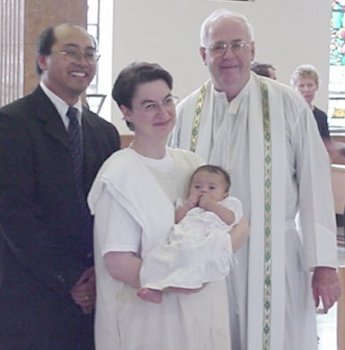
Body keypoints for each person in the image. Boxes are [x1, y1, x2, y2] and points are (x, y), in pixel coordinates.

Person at [170, 9, 341, 350]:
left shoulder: (288, 104)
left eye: (238, 45)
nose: (228, 55)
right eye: (218, 47)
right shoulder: (187, 111)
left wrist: (323, 266)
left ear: (253, 50)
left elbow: (314, 182)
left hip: (275, 258)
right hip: (208, 259)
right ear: (203, 54)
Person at [87, 61, 249, 350]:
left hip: (203, 308)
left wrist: (207, 264)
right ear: (127, 112)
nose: (163, 112)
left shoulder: (193, 165)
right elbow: (118, 262)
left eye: (167, 100)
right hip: (152, 319)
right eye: (149, 105)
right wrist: (183, 280)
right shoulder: (120, 174)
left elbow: (240, 224)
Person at [0, 23, 120, 349]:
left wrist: (97, 276)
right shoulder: (11, 124)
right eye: (70, 52)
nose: (82, 62)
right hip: (34, 296)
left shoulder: (104, 133)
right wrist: (70, 279)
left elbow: (110, 210)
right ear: (42, 60)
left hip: (94, 300)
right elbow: (15, 216)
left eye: (90, 54)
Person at [137, 164, 244, 304]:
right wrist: (188, 206)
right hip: (183, 238)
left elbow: (231, 219)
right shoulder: (186, 204)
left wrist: (211, 205)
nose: (204, 191)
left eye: (212, 188)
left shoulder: (228, 204)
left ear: (225, 194)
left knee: (192, 258)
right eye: (197, 187)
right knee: (156, 258)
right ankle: (154, 287)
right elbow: (176, 219)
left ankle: (181, 286)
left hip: (207, 239)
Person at [290, 64, 330, 140]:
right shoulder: (288, 114)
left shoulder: (321, 116)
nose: (306, 90)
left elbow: (326, 145)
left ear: (316, 87)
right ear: (294, 88)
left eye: (310, 85)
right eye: (301, 86)